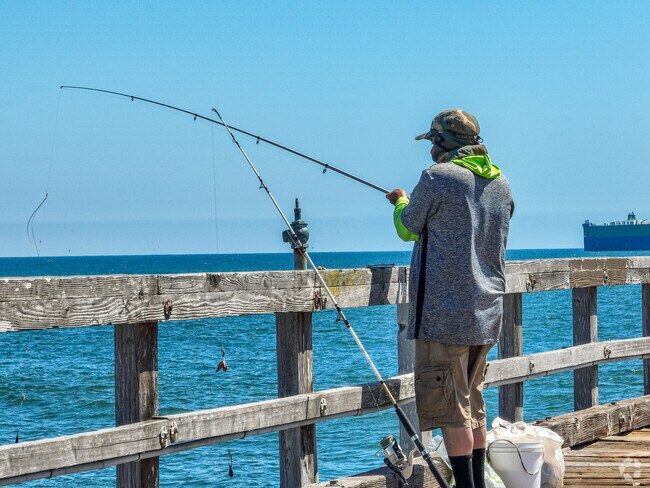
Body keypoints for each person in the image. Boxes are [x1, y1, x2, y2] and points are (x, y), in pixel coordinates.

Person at [386, 109, 514, 488]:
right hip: (487, 312)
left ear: (443, 141)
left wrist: (399, 200)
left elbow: (408, 228)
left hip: (445, 315)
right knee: (472, 406)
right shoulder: (502, 184)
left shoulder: (437, 177)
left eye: (432, 140)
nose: (430, 148)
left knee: (452, 413)